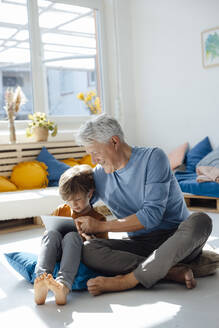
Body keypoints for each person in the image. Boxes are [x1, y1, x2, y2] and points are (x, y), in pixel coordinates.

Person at [74, 114, 212, 296]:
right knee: (89, 250)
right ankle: (168, 272)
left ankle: (128, 280)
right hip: (141, 245)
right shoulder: (99, 174)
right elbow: (80, 204)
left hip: (176, 242)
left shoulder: (153, 157)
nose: (93, 160)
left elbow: (151, 215)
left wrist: (101, 225)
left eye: (95, 152)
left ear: (114, 142)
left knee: (201, 220)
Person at [34, 164, 107, 305]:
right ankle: (41, 281)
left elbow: (104, 249)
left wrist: (89, 239)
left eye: (78, 199)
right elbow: (49, 235)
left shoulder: (98, 219)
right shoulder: (61, 210)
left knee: (72, 236)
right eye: (68, 199)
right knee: (50, 233)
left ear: (90, 194)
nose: (73, 204)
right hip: (58, 251)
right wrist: (49, 234)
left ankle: (63, 286)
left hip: (77, 254)